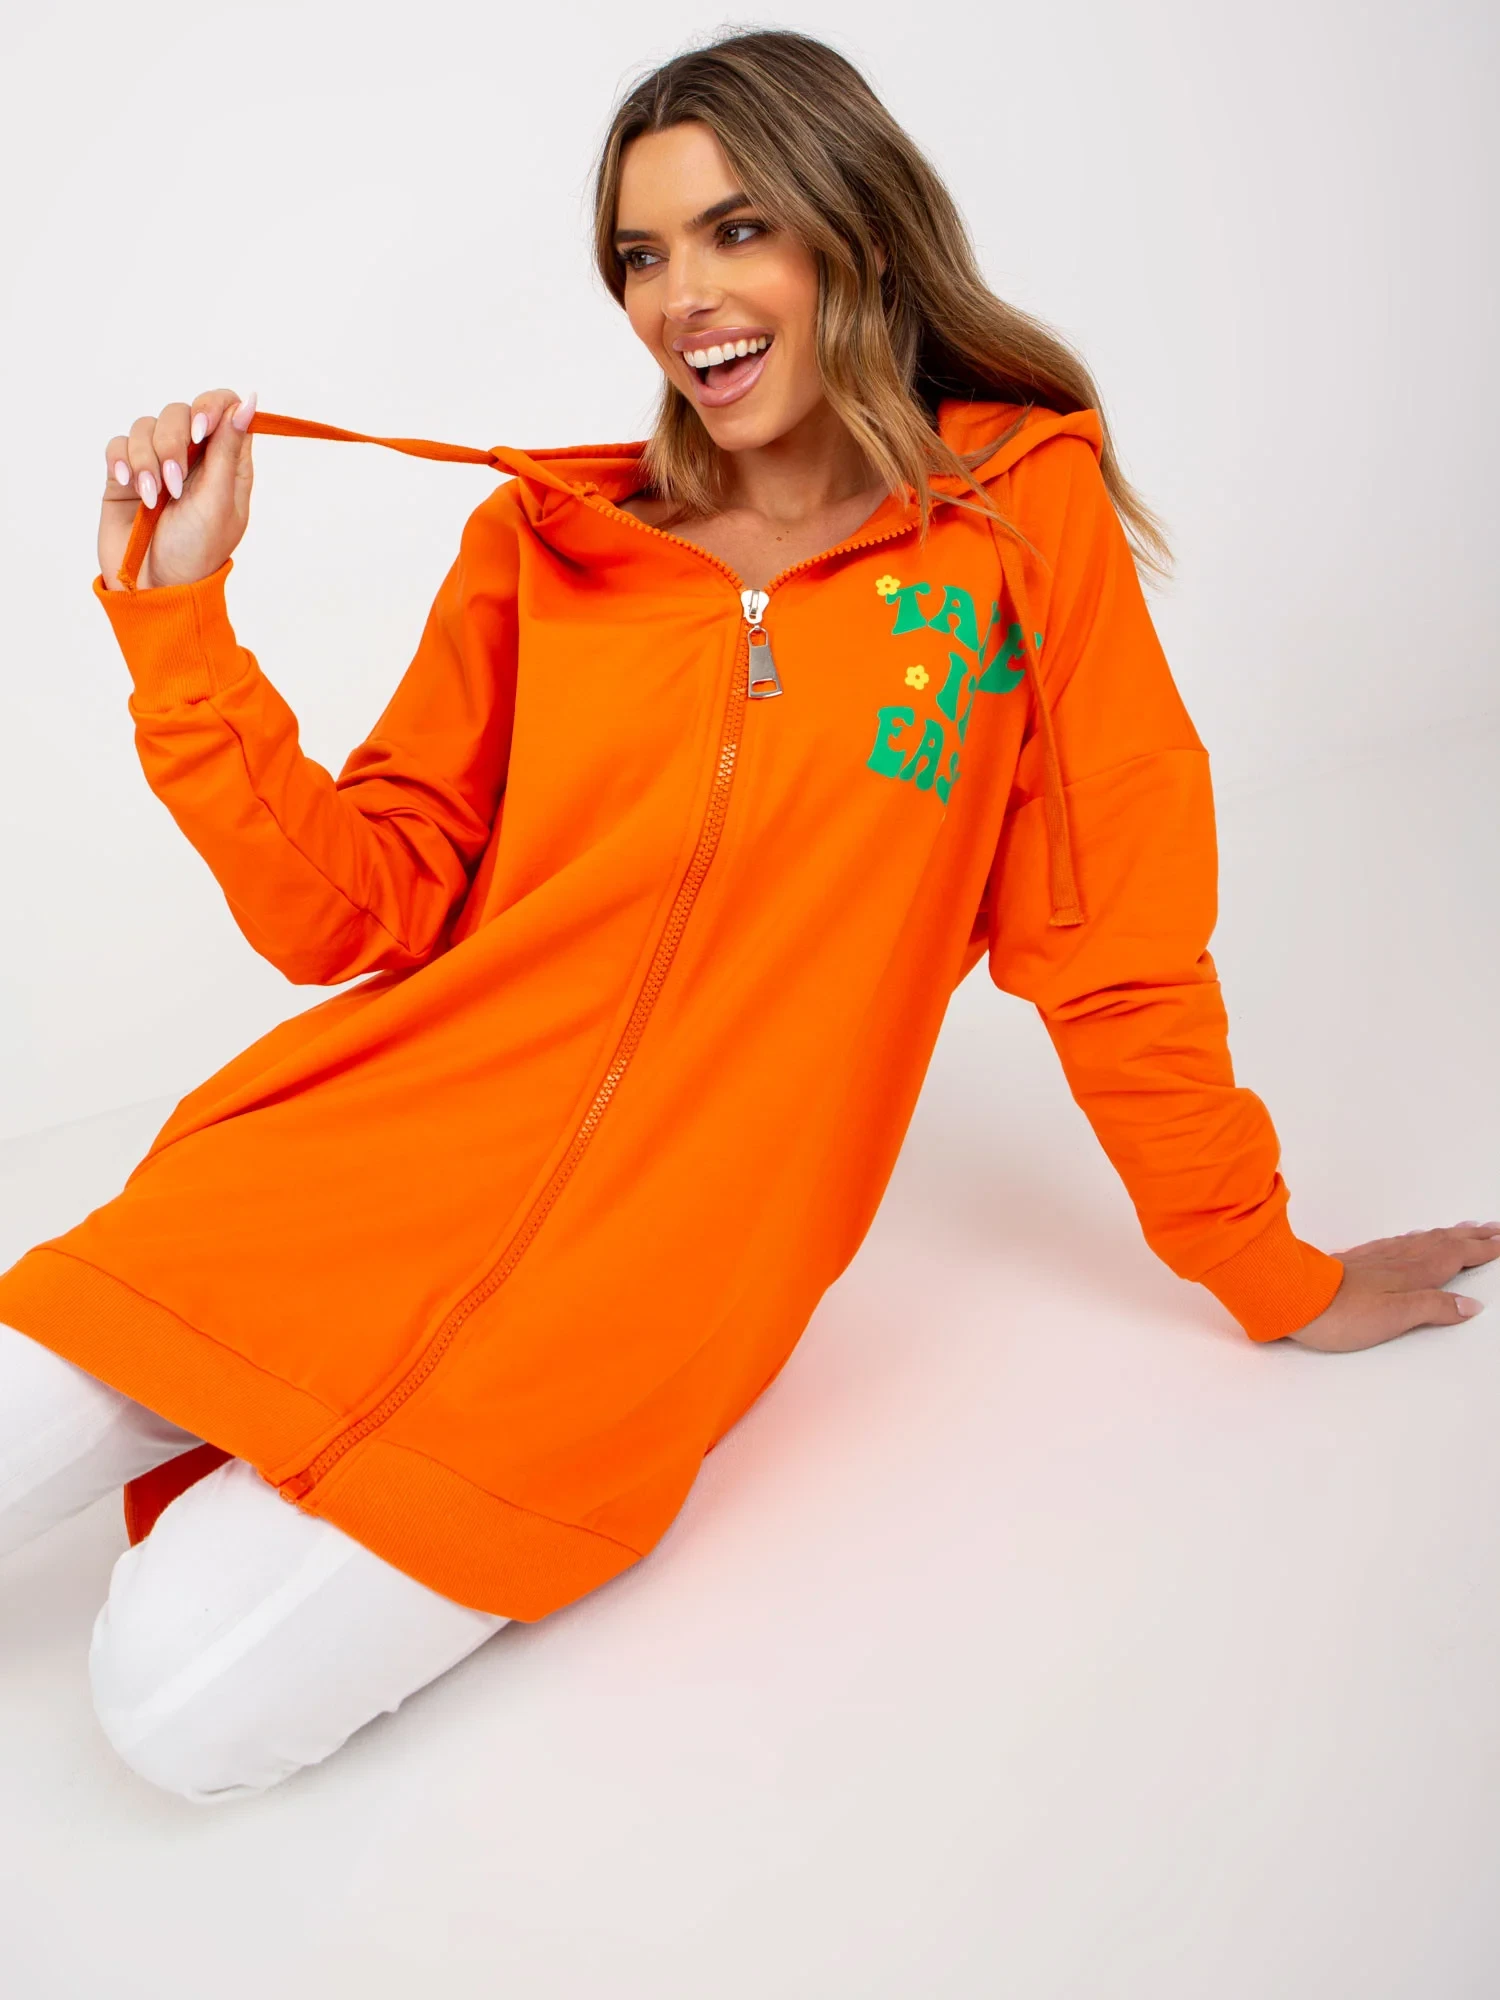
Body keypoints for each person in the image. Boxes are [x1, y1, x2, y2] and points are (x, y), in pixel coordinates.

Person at [2, 28, 1494, 1807]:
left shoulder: (1018, 534)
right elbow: (353, 911)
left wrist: (1266, 1267)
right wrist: (178, 623)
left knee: (176, 1709)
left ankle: (254, 1424)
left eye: (735, 230)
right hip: (341, 1175)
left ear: (856, 232)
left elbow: (1114, 946)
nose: (681, 298)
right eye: (641, 255)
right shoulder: (545, 545)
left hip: (634, 1304)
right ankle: (219, 1388)